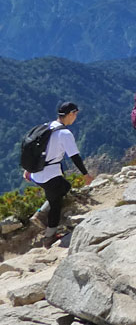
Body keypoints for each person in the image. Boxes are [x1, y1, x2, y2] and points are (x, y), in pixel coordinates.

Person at [26, 102, 94, 248]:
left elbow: (34, 150)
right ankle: (49, 237)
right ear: (71, 114)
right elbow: (75, 157)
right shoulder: (65, 133)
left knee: (63, 188)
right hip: (49, 175)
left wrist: (28, 169)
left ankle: (41, 213)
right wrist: (86, 174)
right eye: (75, 114)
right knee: (56, 203)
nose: (75, 118)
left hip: (36, 174)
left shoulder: (47, 126)